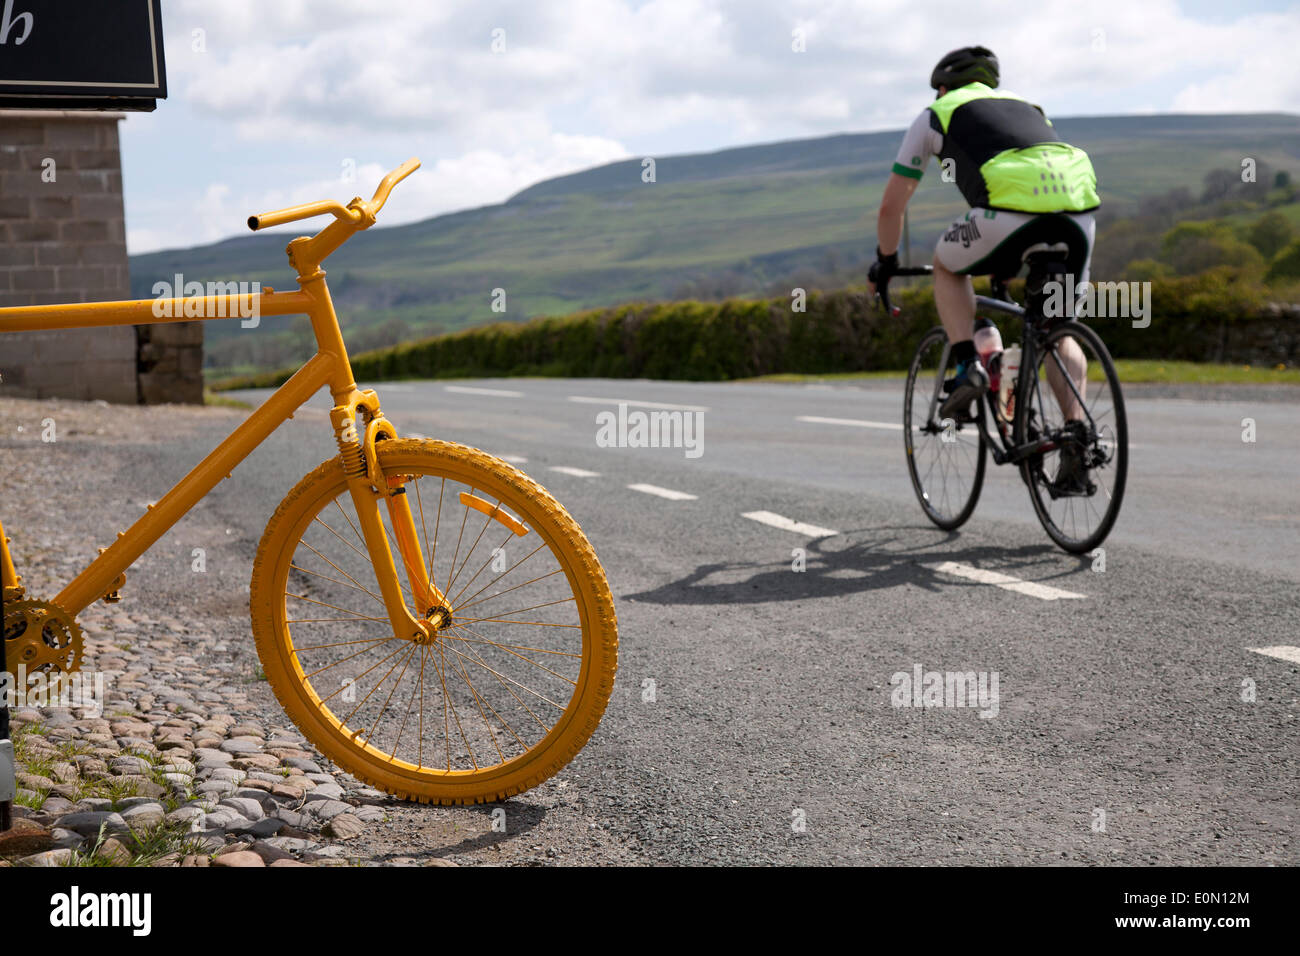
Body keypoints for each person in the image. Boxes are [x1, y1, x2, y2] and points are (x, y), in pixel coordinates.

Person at [867, 46, 1101, 492]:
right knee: (1059, 329)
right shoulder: (1030, 109)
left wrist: (886, 261)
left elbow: (890, 205)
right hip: (1077, 217)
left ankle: (966, 364)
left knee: (947, 267)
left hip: (1005, 214)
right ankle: (1076, 440)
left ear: (942, 87)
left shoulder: (937, 112)